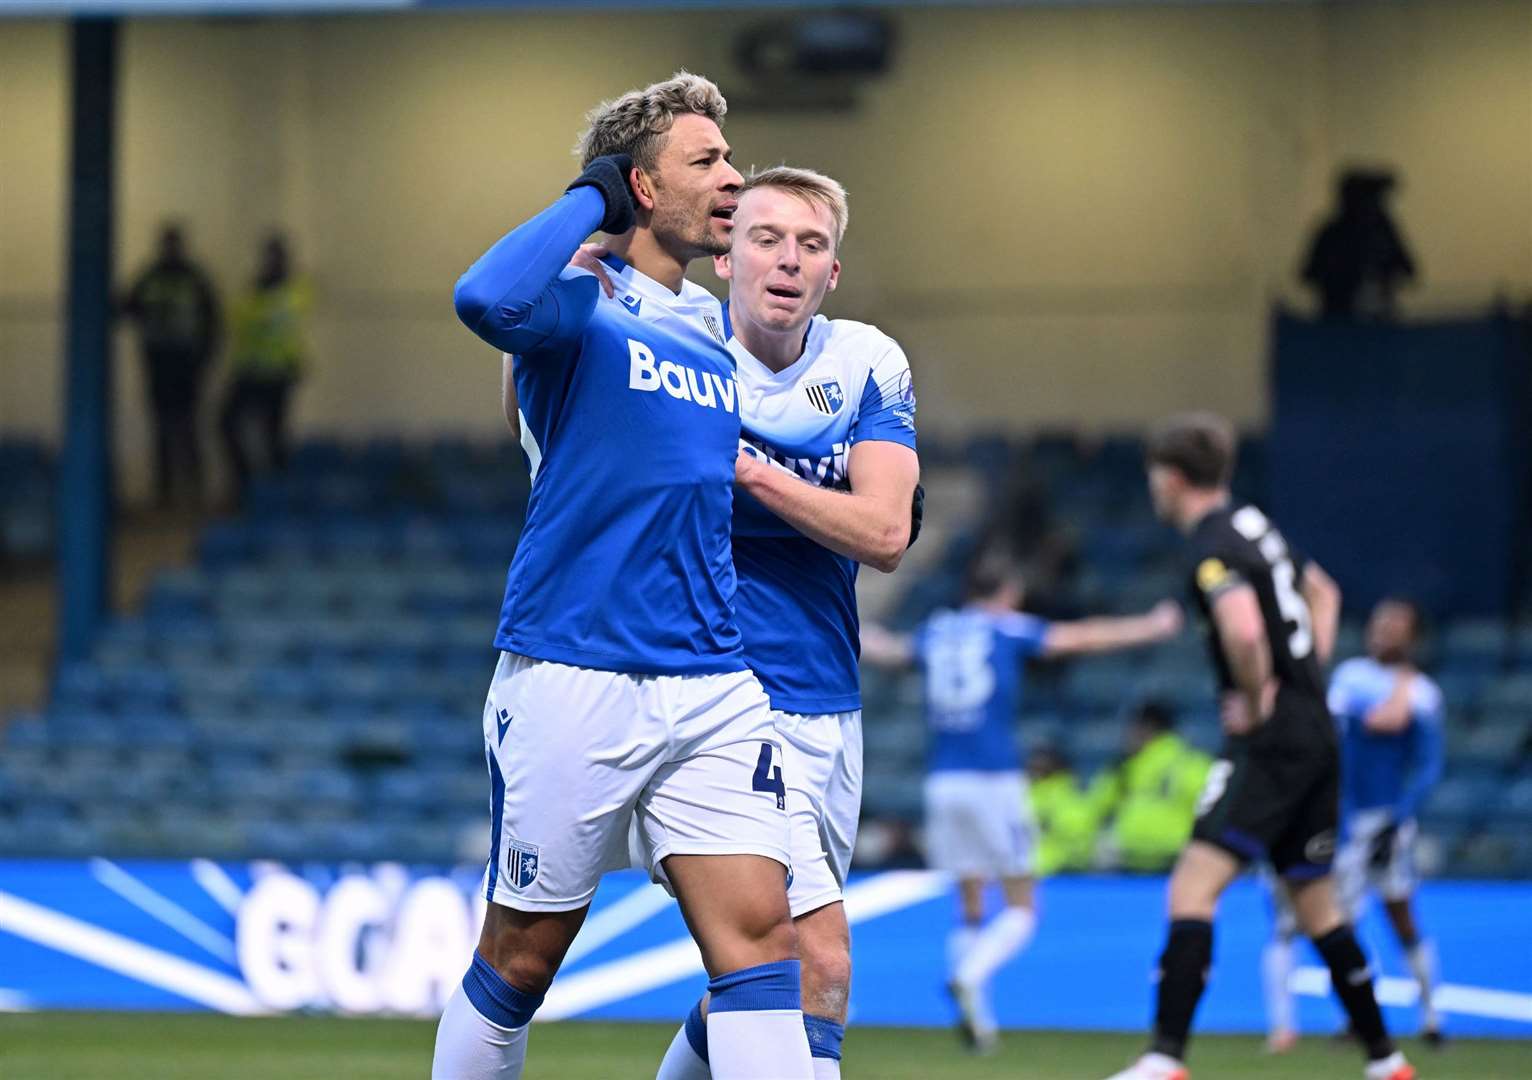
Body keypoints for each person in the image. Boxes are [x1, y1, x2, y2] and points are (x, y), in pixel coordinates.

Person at [433, 74, 814, 1080]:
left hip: (711, 684)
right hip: (574, 670)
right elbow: (482, 297)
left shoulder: (710, 331)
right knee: (520, 960)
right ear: (641, 187)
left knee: (763, 947)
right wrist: (588, 200)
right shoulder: (576, 303)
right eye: (706, 162)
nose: (733, 179)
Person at [1105, 412, 1412, 1080]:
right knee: (1318, 906)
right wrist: (1304, 673)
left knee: (1192, 887)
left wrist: (1257, 690)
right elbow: (1323, 592)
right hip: (1316, 731)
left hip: (1271, 742)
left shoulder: (1211, 545)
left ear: (1171, 477)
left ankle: (1165, 1057)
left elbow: (1242, 632)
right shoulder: (1254, 524)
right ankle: (1387, 1061)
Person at [861, 556, 1182, 1052]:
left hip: (944, 781)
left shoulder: (937, 631)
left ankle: (980, 1025)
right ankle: (970, 975)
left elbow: (888, 650)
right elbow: (1081, 637)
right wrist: (1152, 625)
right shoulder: (1005, 629)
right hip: (994, 779)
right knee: (1023, 906)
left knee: (970, 905)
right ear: (1006, 593)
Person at [1262, 597, 1447, 1051]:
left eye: (1396, 624)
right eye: (1380, 620)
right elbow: (1378, 722)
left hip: (1386, 820)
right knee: (1340, 921)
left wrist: (1399, 819)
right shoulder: (1352, 677)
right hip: (1343, 822)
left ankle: (1431, 1016)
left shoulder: (1425, 694)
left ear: (1415, 637)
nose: (1382, 629)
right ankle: (1354, 1017)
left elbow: (1426, 765)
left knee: (1402, 917)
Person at [120, 222, 221, 509]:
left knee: (187, 428)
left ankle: (193, 490)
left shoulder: (194, 278)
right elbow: (126, 307)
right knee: (162, 429)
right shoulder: (150, 276)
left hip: (186, 366)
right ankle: (164, 492)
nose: (170, 250)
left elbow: (213, 323)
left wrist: (203, 361)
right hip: (158, 365)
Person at [218, 232, 310, 502]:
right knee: (227, 425)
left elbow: (260, 319)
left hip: (277, 373)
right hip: (248, 370)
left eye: (276, 258)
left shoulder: (291, 293)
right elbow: (238, 321)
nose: (271, 263)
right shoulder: (256, 289)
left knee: (274, 438)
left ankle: (275, 497)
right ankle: (248, 486)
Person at [1088, 701, 1212, 873]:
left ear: (1147, 728)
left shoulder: (1129, 766)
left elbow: (1093, 808)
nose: (1126, 735)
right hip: (1147, 860)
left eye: (1132, 727)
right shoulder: (1192, 762)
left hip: (1162, 862)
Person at [1026, 744, 1100, 876]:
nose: (1037, 767)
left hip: (1062, 872)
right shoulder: (1022, 793)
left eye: (1043, 763)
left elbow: (1078, 834)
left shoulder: (1069, 794)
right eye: (1034, 763)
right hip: (1024, 872)